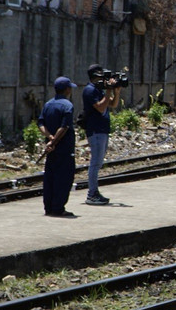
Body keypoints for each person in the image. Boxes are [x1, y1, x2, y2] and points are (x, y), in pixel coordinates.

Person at [82, 63, 121, 205]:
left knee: (98, 162)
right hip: (95, 130)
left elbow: (113, 104)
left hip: (102, 130)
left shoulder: (98, 90)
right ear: (95, 76)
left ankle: (94, 192)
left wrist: (116, 92)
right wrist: (109, 91)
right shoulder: (89, 90)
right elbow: (100, 108)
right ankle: (92, 194)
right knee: (95, 163)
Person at [39, 77, 78, 217]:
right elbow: (65, 127)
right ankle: (58, 208)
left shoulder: (48, 104)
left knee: (50, 178)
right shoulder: (67, 106)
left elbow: (41, 124)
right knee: (63, 178)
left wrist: (49, 138)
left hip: (51, 150)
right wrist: (54, 141)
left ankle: (48, 207)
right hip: (64, 149)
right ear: (67, 89)